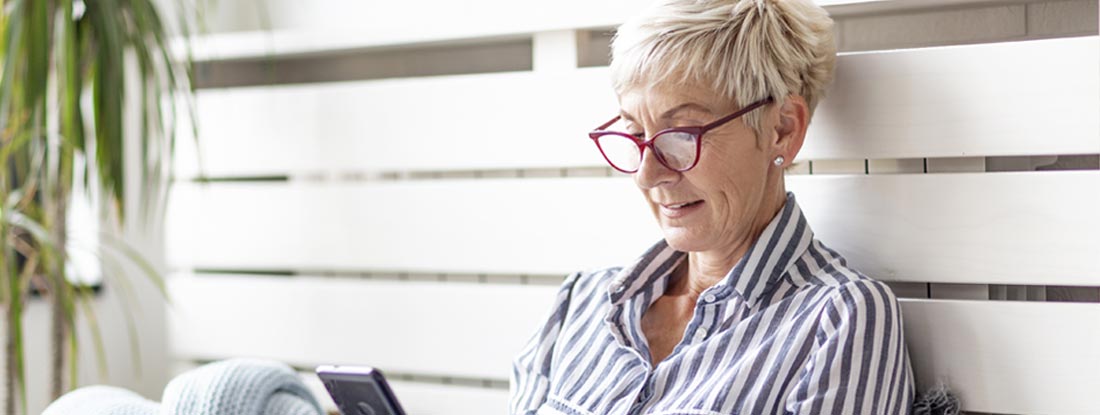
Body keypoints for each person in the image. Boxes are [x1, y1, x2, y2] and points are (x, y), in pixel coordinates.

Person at [510, 0, 915, 414]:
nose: (647, 175)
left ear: (782, 129)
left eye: (681, 135)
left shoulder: (837, 319)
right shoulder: (581, 301)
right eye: (634, 133)